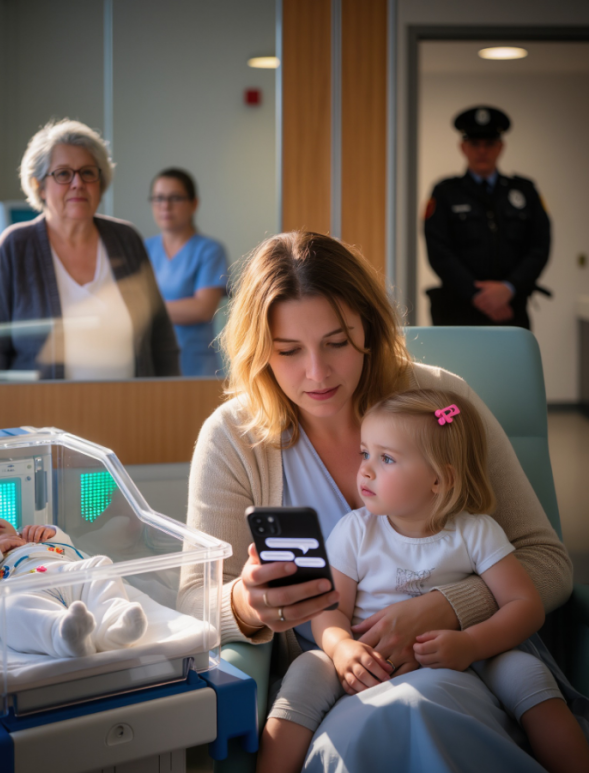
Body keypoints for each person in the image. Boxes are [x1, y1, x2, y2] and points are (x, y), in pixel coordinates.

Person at [178, 231, 574, 772]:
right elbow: (192, 601)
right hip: (340, 687)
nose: (317, 373)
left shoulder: (440, 404)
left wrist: (449, 609)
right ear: (258, 348)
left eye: (337, 342)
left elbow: (548, 562)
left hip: (467, 672)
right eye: (289, 351)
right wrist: (249, 606)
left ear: (369, 326)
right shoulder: (233, 437)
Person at [260, 389, 589, 773]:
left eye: (386, 458)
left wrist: (470, 643)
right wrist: (341, 648)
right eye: (365, 453)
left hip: (469, 658)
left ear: (439, 478)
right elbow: (331, 610)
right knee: (306, 670)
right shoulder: (354, 531)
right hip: (367, 660)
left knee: (527, 672)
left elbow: (525, 606)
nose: (365, 469)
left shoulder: (476, 532)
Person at [0, 118, 180, 379]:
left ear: (100, 183)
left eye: (88, 172)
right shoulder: (14, 247)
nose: (77, 183)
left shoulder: (126, 239)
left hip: (133, 411)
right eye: (63, 174)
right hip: (41, 414)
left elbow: (161, 340)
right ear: (39, 186)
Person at [0, 505, 147, 657]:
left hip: (66, 572)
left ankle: (113, 626)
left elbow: (70, 550)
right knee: (8, 608)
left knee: (99, 565)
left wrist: (52, 533)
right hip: (22, 588)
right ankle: (63, 633)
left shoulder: (26, 538)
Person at [424, 106, 551, 329]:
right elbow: (438, 250)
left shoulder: (525, 191)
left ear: (500, 147)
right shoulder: (445, 193)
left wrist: (509, 288)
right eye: (475, 144)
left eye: (489, 144)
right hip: (458, 312)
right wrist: (478, 295)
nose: (482, 151)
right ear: (463, 147)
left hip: (511, 309)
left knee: (510, 365)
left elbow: (539, 247)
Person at [145, 168, 228, 376]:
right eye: (158, 198)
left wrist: (145, 311)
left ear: (194, 204)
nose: (165, 205)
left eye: (175, 198)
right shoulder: (143, 249)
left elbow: (203, 308)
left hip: (195, 365)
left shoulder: (209, 250)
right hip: (152, 361)